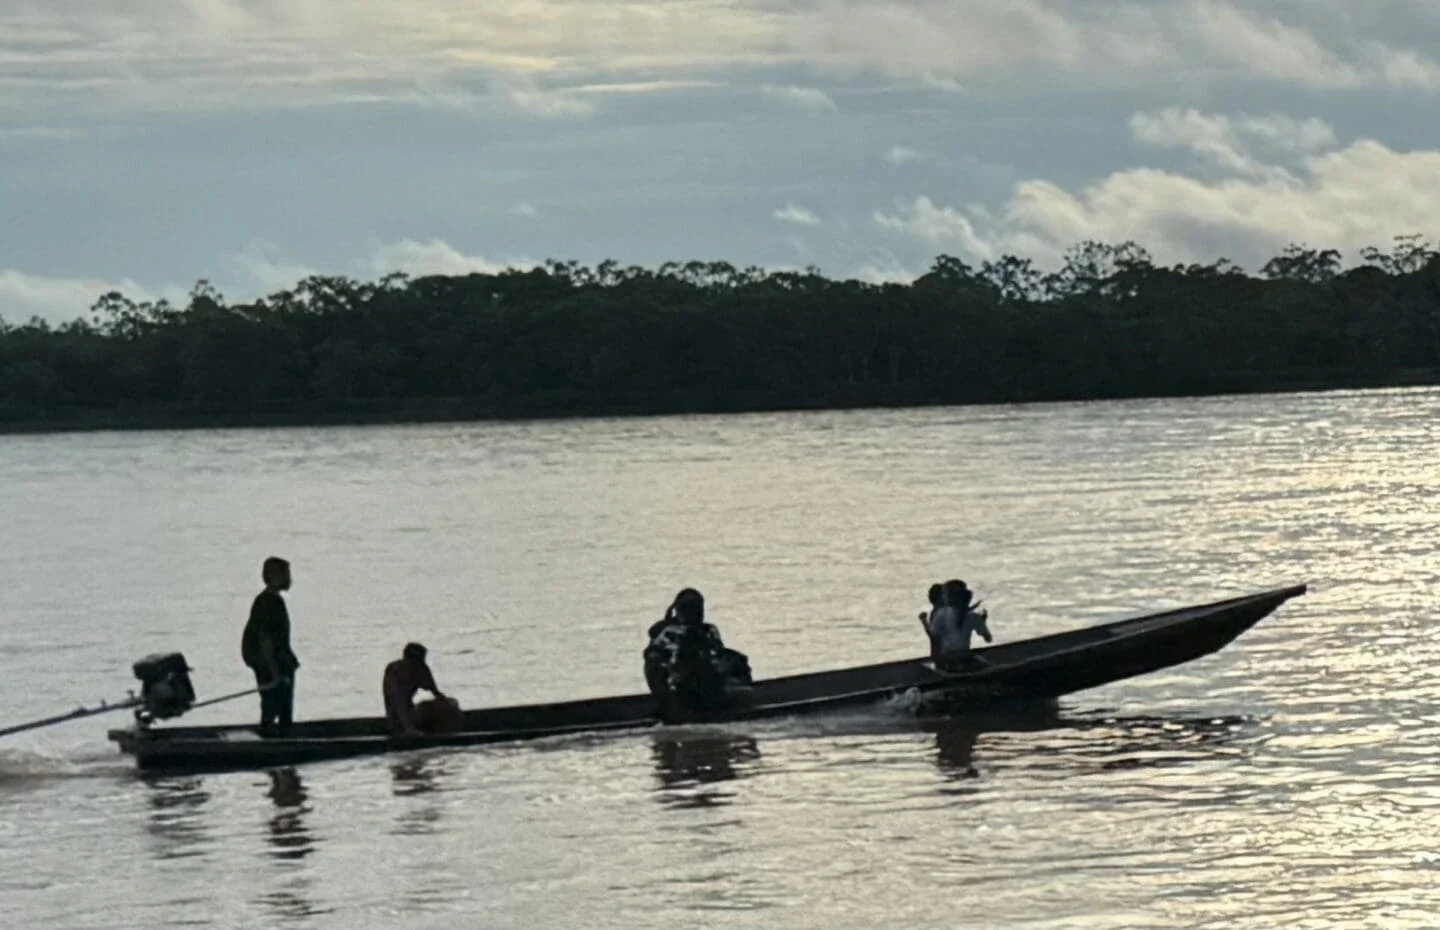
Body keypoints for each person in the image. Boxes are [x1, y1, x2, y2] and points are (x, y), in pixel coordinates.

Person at [643, 588, 751, 713]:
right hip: (685, 696)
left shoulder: (665, 632)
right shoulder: (672, 634)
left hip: (675, 695)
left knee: (737, 664)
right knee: (744, 691)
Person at [241, 556, 300, 736]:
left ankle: (281, 737)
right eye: (286, 574)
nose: (290, 579)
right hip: (271, 663)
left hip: (277, 661)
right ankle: (277, 741)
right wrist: (274, 672)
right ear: (274, 576)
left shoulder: (274, 601)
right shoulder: (268, 602)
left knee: (280, 705)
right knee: (275, 704)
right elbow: (264, 638)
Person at [383, 642, 459, 736]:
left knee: (451, 703)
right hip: (397, 719)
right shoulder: (395, 672)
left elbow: (435, 692)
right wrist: (409, 728)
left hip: (411, 713)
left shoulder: (421, 669)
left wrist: (449, 705)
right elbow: (399, 703)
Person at [923, 578, 993, 670]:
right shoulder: (973, 616)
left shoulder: (940, 613)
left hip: (946, 661)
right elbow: (988, 639)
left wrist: (923, 620)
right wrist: (982, 623)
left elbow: (933, 636)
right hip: (964, 658)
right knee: (988, 666)